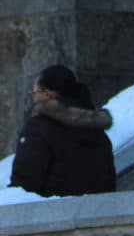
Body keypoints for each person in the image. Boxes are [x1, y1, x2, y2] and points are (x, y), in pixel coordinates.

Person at [8, 65, 116, 197]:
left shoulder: (38, 128)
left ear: (48, 93)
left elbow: (24, 185)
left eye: (35, 93)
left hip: (52, 212)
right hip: (99, 212)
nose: (33, 99)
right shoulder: (97, 131)